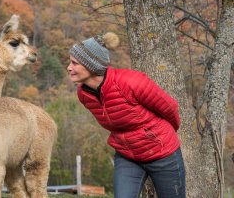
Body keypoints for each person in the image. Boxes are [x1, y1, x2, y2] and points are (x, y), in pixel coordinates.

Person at [67, 32, 186, 198]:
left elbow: (170, 108)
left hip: (162, 154)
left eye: (75, 63)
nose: (69, 67)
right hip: (127, 156)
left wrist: (161, 135)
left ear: (91, 65)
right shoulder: (84, 95)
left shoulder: (131, 82)